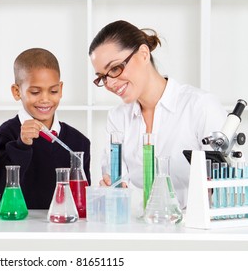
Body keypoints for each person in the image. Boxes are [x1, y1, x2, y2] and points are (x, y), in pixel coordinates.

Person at [88, 20, 227, 209]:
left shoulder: (200, 106)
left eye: (115, 68)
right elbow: (117, 185)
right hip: (138, 229)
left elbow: (224, 184)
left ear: (144, 54)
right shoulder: (117, 118)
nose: (110, 84)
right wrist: (111, 190)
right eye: (102, 77)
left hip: (196, 230)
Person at [0, 48, 91, 209]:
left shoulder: (79, 142)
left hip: (64, 225)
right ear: (17, 92)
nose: (45, 99)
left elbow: (81, 197)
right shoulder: (6, 134)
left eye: (53, 91)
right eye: (35, 92)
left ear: (61, 89)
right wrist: (22, 145)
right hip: (19, 225)